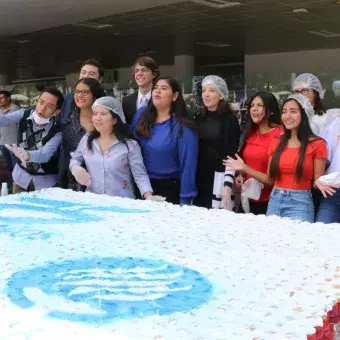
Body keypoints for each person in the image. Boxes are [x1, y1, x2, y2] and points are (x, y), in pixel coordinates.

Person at [225, 94, 330, 223]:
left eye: (293, 111)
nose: (287, 116)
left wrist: (321, 182)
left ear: (304, 114)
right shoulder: (277, 142)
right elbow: (270, 180)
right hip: (275, 200)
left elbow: (317, 181)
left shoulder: (318, 144)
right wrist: (243, 168)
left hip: (300, 203)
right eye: (284, 111)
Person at [69, 97, 163, 201]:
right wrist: (75, 168)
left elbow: (140, 175)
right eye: (95, 114)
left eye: (103, 114)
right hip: (94, 202)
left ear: (115, 120)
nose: (98, 118)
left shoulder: (130, 145)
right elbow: (75, 159)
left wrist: (148, 196)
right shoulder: (87, 139)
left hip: (122, 204)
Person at [130, 77, 198, 205]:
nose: (158, 91)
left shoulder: (183, 127)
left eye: (164, 88)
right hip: (140, 184)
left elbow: (188, 165)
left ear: (175, 96)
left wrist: (185, 199)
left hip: (168, 188)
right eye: (155, 88)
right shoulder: (141, 115)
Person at [0, 88, 64, 193]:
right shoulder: (24, 114)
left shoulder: (58, 131)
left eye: (49, 106)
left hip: (45, 184)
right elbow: (6, 119)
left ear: (56, 112)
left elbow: (45, 154)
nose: (42, 108)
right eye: (41, 102)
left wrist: (27, 155)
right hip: (20, 178)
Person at [194, 75, 240, 209]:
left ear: (221, 95)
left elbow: (231, 151)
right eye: (204, 91)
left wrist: (227, 183)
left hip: (218, 176)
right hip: (199, 175)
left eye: (211, 91)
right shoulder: (199, 117)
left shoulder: (229, 120)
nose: (206, 95)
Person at [236, 92, 282, 215]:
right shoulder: (250, 132)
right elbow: (245, 160)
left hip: (270, 200)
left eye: (260, 105)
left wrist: (244, 168)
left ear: (271, 110)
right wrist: (241, 174)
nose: (254, 109)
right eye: (252, 105)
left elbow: (271, 179)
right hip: (248, 197)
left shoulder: (280, 134)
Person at [58, 78, 105, 189]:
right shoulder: (67, 124)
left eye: (85, 92)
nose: (79, 95)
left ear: (95, 95)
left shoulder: (107, 120)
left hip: (106, 179)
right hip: (77, 182)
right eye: (77, 91)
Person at [61, 59, 104, 123]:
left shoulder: (106, 102)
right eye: (83, 72)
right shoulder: (65, 99)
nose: (86, 76)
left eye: (91, 74)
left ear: (100, 79)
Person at [315, 115, 340, 223]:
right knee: (321, 231)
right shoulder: (336, 125)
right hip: (334, 191)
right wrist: (318, 180)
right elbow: (324, 158)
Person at [122, 56, 160, 125]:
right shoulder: (127, 101)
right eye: (136, 71)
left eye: (144, 70)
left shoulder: (160, 97)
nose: (139, 73)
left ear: (154, 74)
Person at [0, 90, 20, 188]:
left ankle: (17, 185)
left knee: (16, 165)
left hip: (14, 143)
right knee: (8, 166)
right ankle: (9, 186)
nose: (0, 100)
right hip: (3, 142)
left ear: (8, 98)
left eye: (2, 98)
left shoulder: (16, 109)